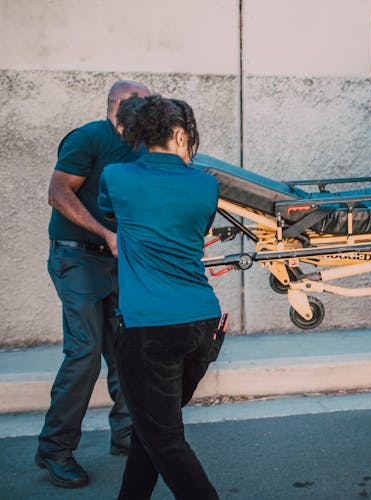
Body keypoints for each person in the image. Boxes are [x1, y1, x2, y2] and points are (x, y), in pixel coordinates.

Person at [99, 94, 223, 500]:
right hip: (202, 326)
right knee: (153, 431)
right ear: (179, 133)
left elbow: (110, 212)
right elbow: (196, 225)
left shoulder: (117, 178)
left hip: (149, 330)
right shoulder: (207, 184)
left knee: (163, 439)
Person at [36, 80, 151, 489]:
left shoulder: (142, 146)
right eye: (140, 103)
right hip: (76, 255)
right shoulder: (87, 138)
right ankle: (54, 448)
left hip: (118, 260)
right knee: (84, 352)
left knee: (126, 351)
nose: (146, 109)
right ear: (116, 106)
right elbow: (58, 192)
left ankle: (125, 435)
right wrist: (104, 233)